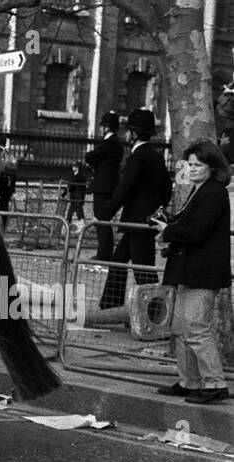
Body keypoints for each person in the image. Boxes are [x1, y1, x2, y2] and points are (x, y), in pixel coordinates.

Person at [151, 140, 231, 405]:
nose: (193, 169)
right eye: (190, 164)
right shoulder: (199, 190)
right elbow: (190, 227)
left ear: (212, 167)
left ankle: (215, 383)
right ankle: (190, 382)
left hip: (202, 272)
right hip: (188, 270)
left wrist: (168, 231)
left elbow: (198, 231)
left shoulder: (215, 192)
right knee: (181, 327)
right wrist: (169, 225)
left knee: (196, 327)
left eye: (199, 165)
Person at [98, 108, 171, 310]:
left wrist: (104, 214)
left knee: (143, 270)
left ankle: (155, 312)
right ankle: (111, 307)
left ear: (135, 133)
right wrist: (157, 208)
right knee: (118, 261)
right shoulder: (157, 156)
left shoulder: (137, 157)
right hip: (143, 219)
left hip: (137, 220)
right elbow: (166, 189)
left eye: (128, 130)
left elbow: (123, 190)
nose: (125, 134)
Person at [86, 110, 124, 261]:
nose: (100, 129)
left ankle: (104, 253)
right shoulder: (116, 144)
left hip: (103, 186)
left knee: (101, 218)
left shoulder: (109, 143)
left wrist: (93, 162)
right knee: (104, 218)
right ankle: (105, 251)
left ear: (107, 127)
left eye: (102, 126)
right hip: (109, 185)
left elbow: (90, 156)